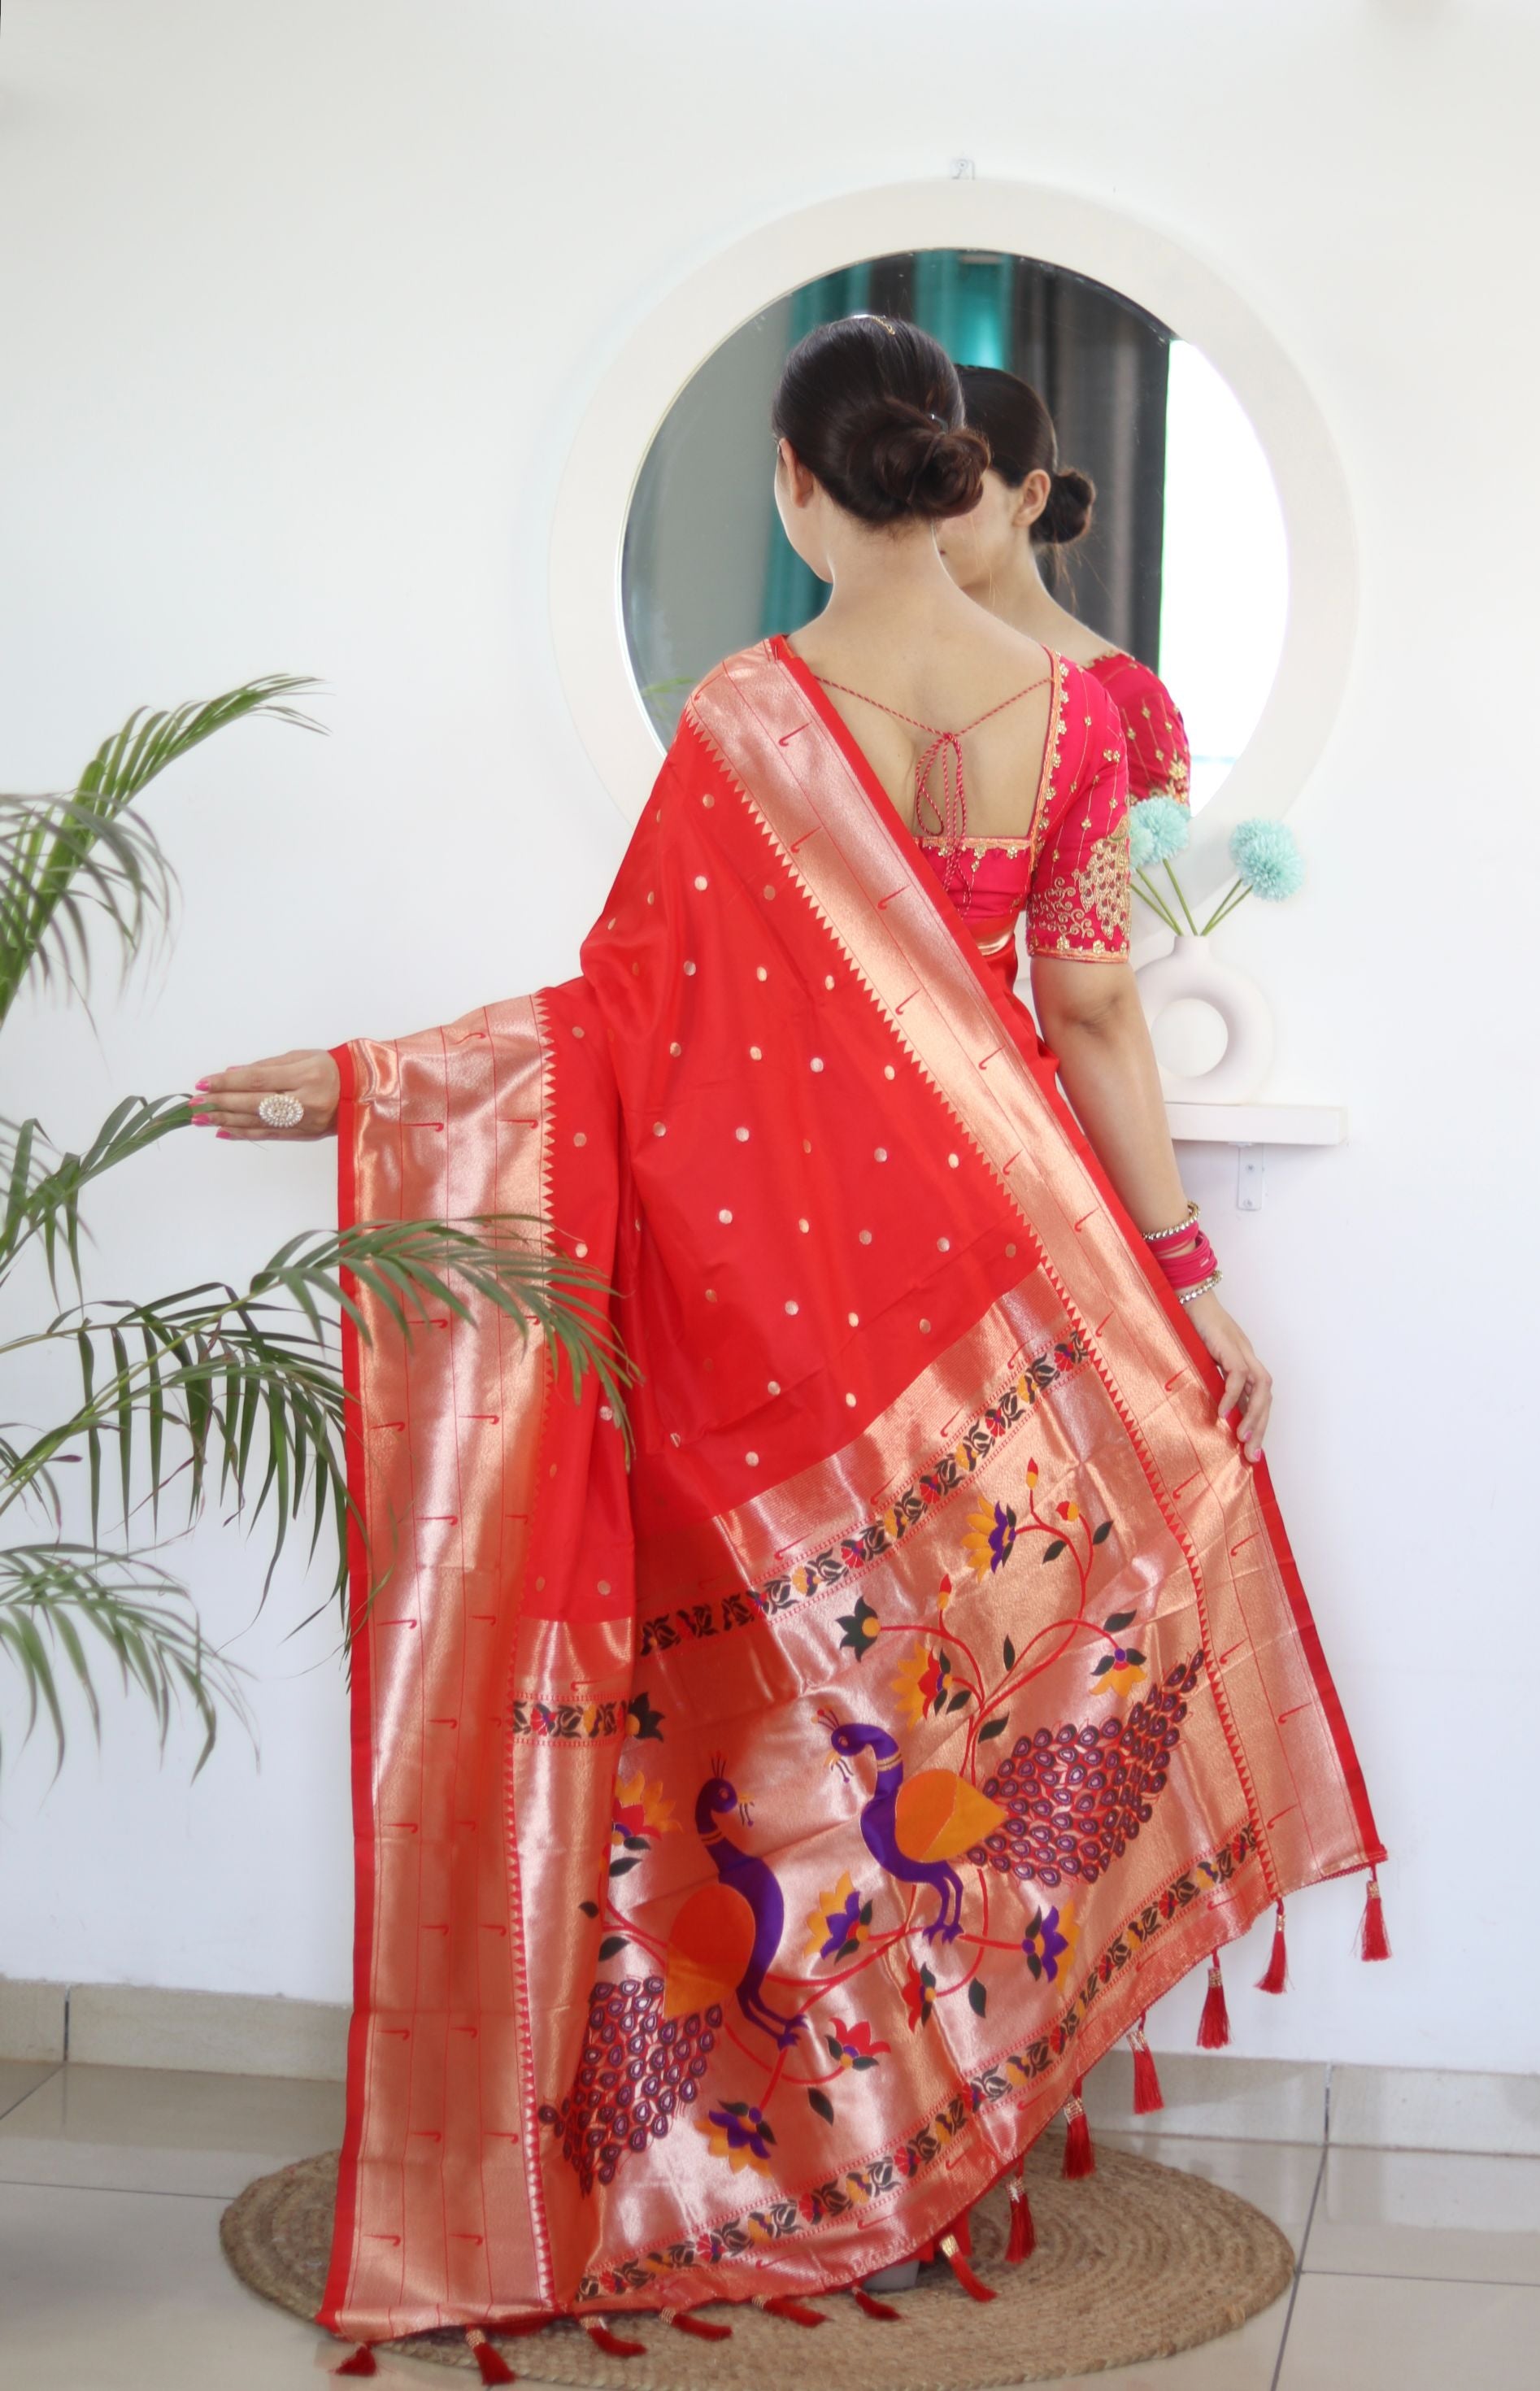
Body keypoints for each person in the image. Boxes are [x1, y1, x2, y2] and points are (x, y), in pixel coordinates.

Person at [192, 317, 1381, 2365]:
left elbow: (626, 1028)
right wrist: (1184, 1285)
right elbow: (1090, 1016)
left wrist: (378, 1084)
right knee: (975, 1702)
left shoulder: (749, 710)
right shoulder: (1083, 710)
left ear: (794, 484)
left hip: (783, 1295)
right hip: (1008, 1275)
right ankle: (938, 2162)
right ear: (955, 474)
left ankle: (823, 2152)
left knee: (797, 1717)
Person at [939, 363, 1192, 808]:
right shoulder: (882, 680)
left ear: (1030, 497)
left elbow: (1154, 877)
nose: (923, 516)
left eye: (951, 486)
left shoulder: (1127, 704)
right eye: (904, 491)